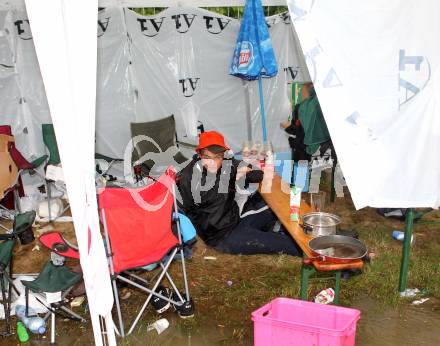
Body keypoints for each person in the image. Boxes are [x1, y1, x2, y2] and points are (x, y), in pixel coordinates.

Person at [176, 131, 301, 256]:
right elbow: (178, 212)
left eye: (217, 157)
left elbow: (255, 172)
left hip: (237, 217)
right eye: (208, 157)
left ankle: (270, 227)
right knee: (280, 243)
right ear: (199, 154)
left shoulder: (227, 164)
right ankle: (310, 250)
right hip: (222, 237)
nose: (213, 162)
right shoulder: (187, 178)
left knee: (278, 205)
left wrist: (247, 174)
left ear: (223, 155)